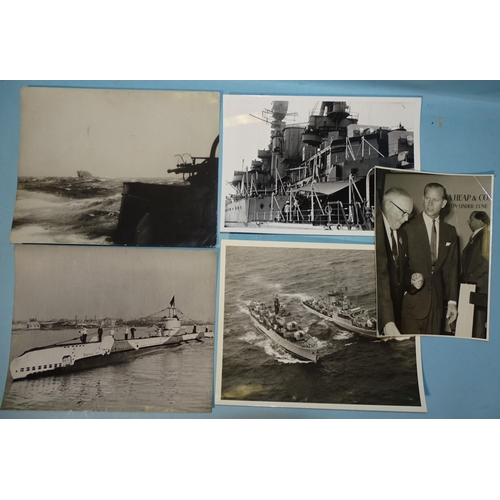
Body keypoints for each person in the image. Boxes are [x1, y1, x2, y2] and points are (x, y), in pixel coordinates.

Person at [401, 182, 459, 335]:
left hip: (437, 306)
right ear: (422, 199)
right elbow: (398, 266)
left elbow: (451, 269)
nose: (430, 203)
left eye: (435, 200)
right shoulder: (407, 228)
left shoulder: (450, 232)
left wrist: (452, 302)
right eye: (427, 198)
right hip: (412, 304)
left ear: (444, 203)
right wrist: (410, 279)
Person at [376, 187, 423, 336]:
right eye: (403, 213)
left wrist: (412, 278)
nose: (406, 219)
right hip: (380, 316)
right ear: (389, 204)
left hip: (394, 315)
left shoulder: (402, 235)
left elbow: (398, 269)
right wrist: (387, 321)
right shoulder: (375, 232)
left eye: (409, 214)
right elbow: (379, 275)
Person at [460, 211, 490, 338]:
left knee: (477, 323)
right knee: (470, 322)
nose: (468, 221)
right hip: (471, 286)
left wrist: (470, 278)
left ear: (480, 221)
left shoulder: (486, 235)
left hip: (479, 287)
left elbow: (486, 263)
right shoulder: (475, 237)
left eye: (470, 218)